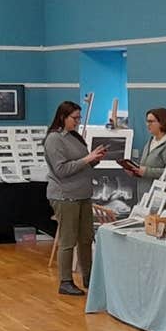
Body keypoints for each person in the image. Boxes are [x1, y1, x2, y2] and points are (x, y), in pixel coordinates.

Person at [44, 100, 106, 296]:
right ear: (63, 117)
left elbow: (83, 164)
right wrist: (86, 159)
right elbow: (61, 170)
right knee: (68, 240)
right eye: (74, 118)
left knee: (86, 238)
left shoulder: (75, 137)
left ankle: (89, 276)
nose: (78, 122)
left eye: (79, 118)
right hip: (65, 196)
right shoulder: (54, 139)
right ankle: (65, 280)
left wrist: (93, 160)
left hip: (83, 194)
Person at [124, 107, 166, 197]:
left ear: (162, 123)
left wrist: (146, 172)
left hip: (159, 195)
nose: (147, 125)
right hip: (144, 193)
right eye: (147, 121)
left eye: (151, 121)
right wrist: (135, 171)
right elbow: (145, 165)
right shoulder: (150, 141)